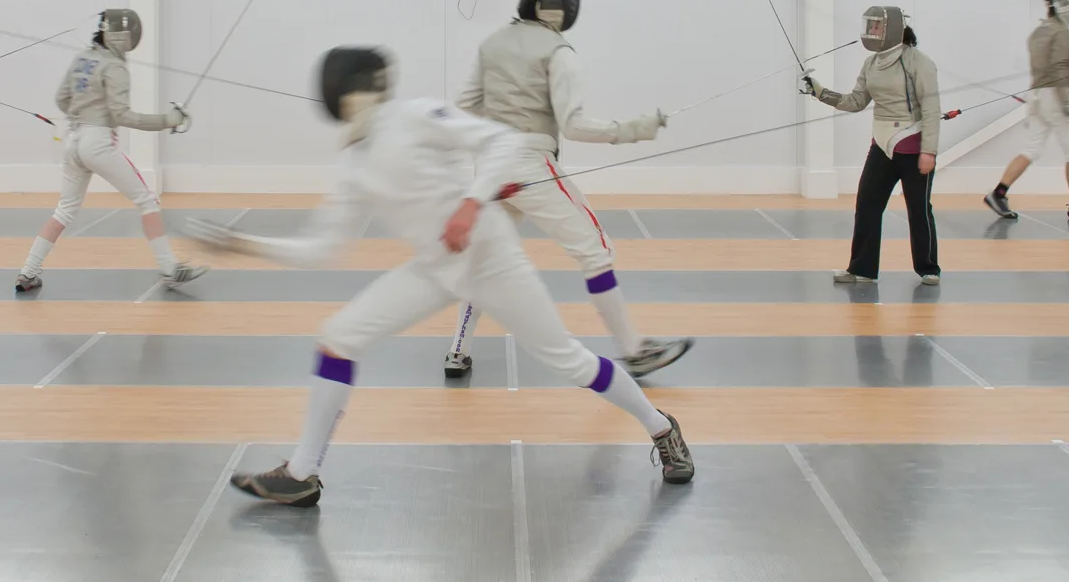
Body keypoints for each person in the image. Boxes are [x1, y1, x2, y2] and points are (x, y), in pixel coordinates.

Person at [182, 46, 694, 506]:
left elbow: (502, 142)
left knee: (570, 361)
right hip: (435, 267)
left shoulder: (417, 115)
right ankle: (301, 474)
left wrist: (471, 204)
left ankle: (661, 427)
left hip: (490, 258)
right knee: (338, 338)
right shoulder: (353, 165)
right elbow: (323, 249)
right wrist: (242, 244)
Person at [442, 0, 690, 381]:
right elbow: (573, 126)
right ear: (563, 6)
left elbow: (465, 103)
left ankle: (457, 351)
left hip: (488, 165)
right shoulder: (559, 52)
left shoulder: (492, 43)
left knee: (484, 258)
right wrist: (635, 129)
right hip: (528, 163)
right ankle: (632, 350)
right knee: (596, 249)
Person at [15, 8, 207, 292]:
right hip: (97, 143)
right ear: (121, 36)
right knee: (147, 200)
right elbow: (123, 116)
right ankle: (169, 268)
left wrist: (84, 117)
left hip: (72, 141)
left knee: (65, 209)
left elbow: (61, 99)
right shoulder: (115, 67)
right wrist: (168, 120)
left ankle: (28, 272)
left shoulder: (82, 58)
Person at [803, 6, 942, 286]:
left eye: (877, 26)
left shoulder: (918, 62)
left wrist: (929, 150)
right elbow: (856, 102)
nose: (872, 31)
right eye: (871, 25)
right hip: (881, 145)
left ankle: (928, 268)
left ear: (892, 29)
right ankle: (862, 268)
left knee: (918, 209)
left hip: (913, 144)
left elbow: (931, 108)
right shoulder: (871, 63)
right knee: (867, 205)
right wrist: (820, 92)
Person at [985, 0, 1069, 224]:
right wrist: (1068, 102)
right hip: (1054, 95)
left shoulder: (1038, 31)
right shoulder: (1062, 32)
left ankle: (998, 193)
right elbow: (1061, 67)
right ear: (1067, 7)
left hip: (1037, 94)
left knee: (1032, 147)